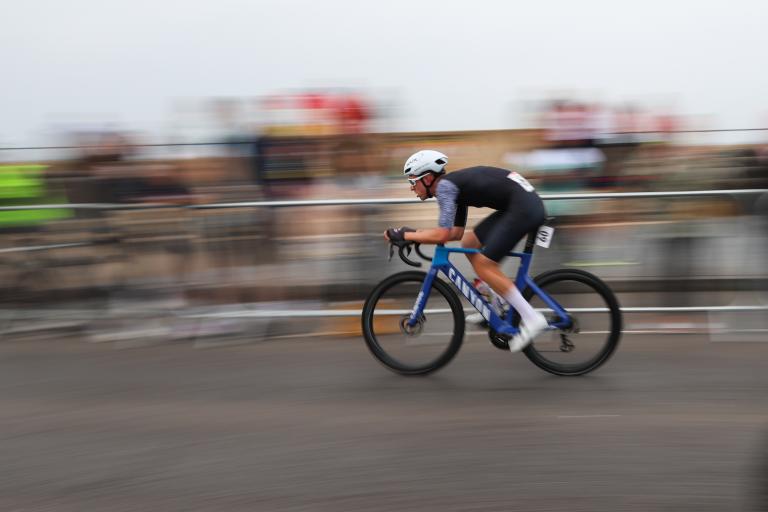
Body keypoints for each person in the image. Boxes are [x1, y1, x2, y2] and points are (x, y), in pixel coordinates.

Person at [384, 150, 548, 352]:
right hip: (521, 205)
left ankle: (532, 318)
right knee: (470, 243)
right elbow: (456, 233)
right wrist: (414, 234)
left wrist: (406, 235)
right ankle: (494, 303)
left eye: (413, 181)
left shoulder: (445, 188)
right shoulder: (454, 187)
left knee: (485, 264)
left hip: (523, 209)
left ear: (427, 178)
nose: (412, 188)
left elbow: (443, 235)